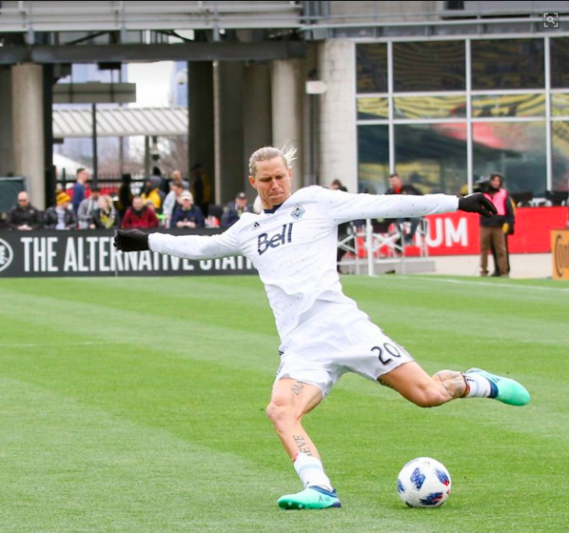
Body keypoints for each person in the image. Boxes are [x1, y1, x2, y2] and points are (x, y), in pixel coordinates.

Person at [114, 146, 530, 511]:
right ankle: (319, 487)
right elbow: (201, 248)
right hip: (302, 347)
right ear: (252, 181)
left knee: (430, 395)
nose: (275, 184)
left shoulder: (315, 202)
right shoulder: (247, 229)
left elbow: (381, 205)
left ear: (289, 175)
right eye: (266, 179)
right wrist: (146, 240)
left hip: (345, 327)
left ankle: (476, 383)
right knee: (280, 410)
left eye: (280, 176)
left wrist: (457, 203)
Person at [480, 172, 514, 278]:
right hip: (485, 223)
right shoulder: (483, 194)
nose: (496, 183)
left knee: (501, 250)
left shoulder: (503, 193)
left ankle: (503, 271)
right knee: (484, 249)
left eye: (498, 181)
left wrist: (510, 223)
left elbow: (509, 210)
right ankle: (483, 270)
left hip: (498, 224)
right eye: (493, 180)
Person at [385, 173, 422, 244]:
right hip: (398, 214)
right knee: (399, 220)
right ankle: (402, 237)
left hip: (411, 212)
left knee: (416, 218)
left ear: (399, 180)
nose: (392, 183)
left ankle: (409, 237)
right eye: (391, 181)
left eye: (394, 181)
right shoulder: (390, 192)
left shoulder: (409, 189)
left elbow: (420, 197)